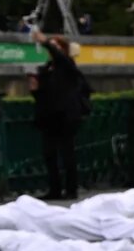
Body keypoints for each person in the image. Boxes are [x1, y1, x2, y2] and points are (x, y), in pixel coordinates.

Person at [27, 33, 92, 202]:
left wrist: (46, 42)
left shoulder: (66, 65)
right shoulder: (47, 69)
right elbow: (44, 95)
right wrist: (35, 89)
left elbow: (60, 58)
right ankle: (54, 188)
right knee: (49, 153)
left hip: (66, 115)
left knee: (67, 152)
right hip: (49, 115)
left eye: (56, 46)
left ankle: (71, 189)